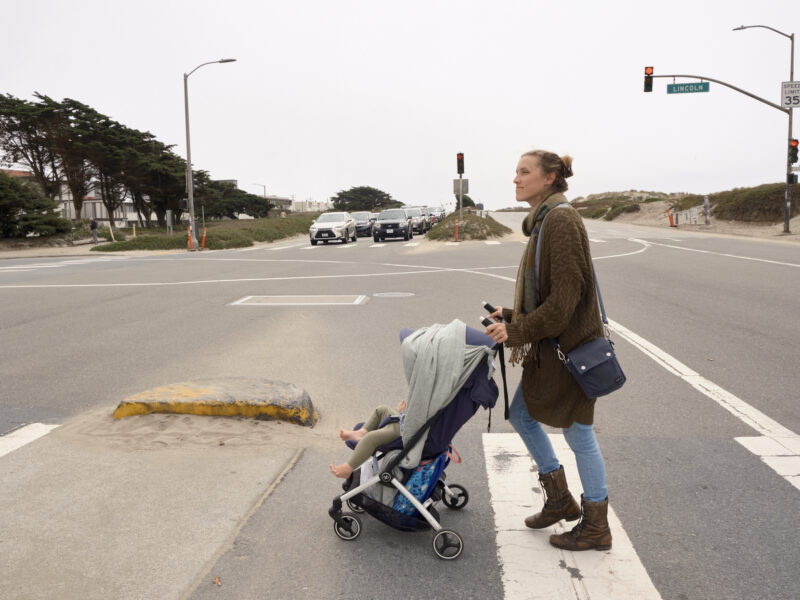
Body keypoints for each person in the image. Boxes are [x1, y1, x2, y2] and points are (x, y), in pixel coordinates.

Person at [483, 150, 612, 552]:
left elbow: (566, 300)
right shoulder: (542, 221)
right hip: (551, 347)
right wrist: (512, 312)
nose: (516, 179)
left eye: (525, 172)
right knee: (521, 413)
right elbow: (549, 293)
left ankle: (595, 525)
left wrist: (517, 329)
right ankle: (559, 498)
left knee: (579, 434)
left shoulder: (561, 220)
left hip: (568, 350)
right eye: (516, 172)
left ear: (550, 177)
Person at [330, 399, 407, 478]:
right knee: (381, 410)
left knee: (371, 438)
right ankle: (361, 433)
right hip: (404, 424)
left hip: (404, 433)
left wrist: (403, 413)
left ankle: (348, 468)